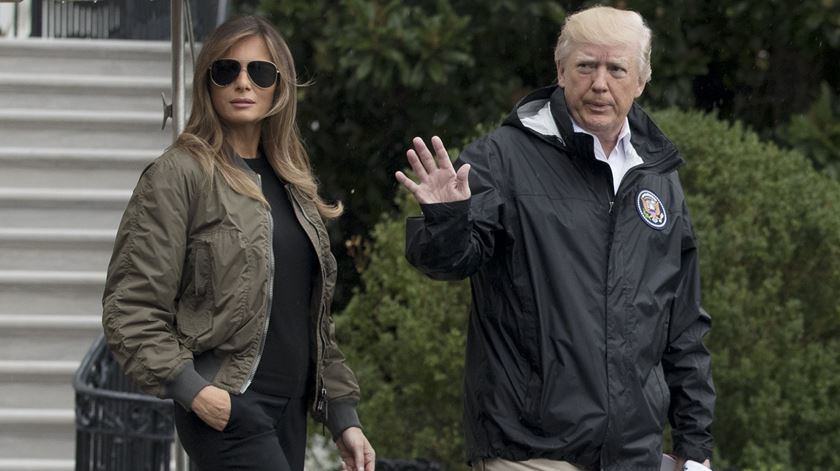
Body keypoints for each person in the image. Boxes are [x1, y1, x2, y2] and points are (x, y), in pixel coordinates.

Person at [395, 6, 714, 471]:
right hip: (529, 452)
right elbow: (447, 261)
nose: (600, 83)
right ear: (560, 70)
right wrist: (447, 218)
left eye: (616, 69)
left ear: (641, 80)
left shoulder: (659, 179)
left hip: (633, 457)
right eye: (586, 66)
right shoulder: (501, 158)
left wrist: (695, 449)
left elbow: (683, 325)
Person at [102, 15, 374, 471]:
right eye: (226, 70)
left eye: (259, 72)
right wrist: (193, 390)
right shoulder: (179, 174)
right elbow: (129, 308)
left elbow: (312, 321)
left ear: (279, 86)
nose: (242, 83)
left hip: (290, 409)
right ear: (208, 82)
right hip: (227, 404)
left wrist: (343, 415)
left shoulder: (295, 187)